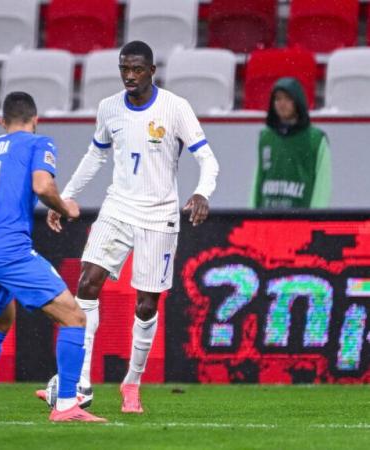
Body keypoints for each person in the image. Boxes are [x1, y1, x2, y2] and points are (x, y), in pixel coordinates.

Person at [44, 41, 219, 413]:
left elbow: (207, 158)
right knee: (87, 283)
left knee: (145, 304)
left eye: (137, 69)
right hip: (118, 208)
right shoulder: (109, 108)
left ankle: (132, 383)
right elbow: (96, 155)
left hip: (160, 215)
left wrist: (202, 192)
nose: (129, 76)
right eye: (124, 68)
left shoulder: (175, 108)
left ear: (152, 71)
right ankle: (80, 384)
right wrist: (64, 198)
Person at [0, 92, 107, 423]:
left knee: (0, 320)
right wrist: (66, 208)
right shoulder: (39, 143)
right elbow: (42, 185)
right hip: (9, 248)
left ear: (2, 123)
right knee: (75, 317)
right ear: (35, 120)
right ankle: (65, 406)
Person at [251, 77, 331, 208]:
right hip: (268, 219)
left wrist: (316, 219)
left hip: (301, 220)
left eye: (288, 98)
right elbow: (258, 180)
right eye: (277, 99)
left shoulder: (316, 139)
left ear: (298, 102)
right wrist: (253, 216)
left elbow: (323, 184)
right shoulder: (266, 137)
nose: (282, 104)